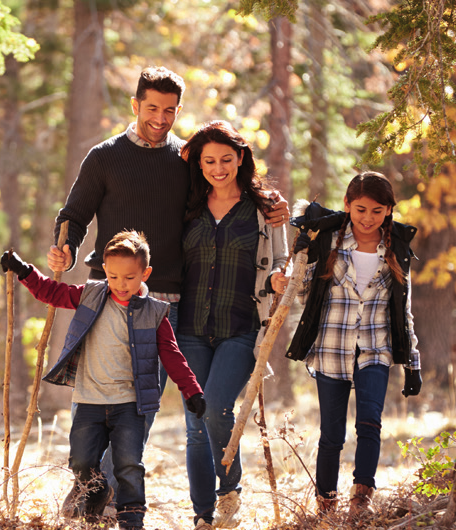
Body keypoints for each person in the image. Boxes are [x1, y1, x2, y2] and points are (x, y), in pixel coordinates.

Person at [46, 66, 289, 503]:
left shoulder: (185, 160)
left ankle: (102, 495)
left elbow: (227, 188)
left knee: (142, 404)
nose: (160, 118)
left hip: (166, 301)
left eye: (170, 110)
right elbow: (74, 215)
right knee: (102, 396)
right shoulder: (104, 157)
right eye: (152, 108)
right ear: (135, 104)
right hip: (106, 296)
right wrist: (63, 246)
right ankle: (89, 484)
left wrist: (271, 202)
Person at [1, 230, 206, 530]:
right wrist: (24, 271)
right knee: (81, 461)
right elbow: (53, 293)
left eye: (129, 278)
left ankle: (131, 522)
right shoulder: (91, 295)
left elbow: (172, 355)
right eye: (113, 277)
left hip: (130, 404)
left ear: (145, 273)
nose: (121, 285)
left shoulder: (155, 312)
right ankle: (96, 491)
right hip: (89, 400)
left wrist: (191, 390)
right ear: (105, 272)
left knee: (128, 465)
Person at [287, 171, 422, 518]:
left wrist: (412, 362)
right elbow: (303, 295)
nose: (368, 218)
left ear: (389, 210)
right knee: (331, 433)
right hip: (332, 347)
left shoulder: (396, 248)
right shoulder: (329, 240)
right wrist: (302, 258)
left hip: (375, 348)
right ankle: (326, 504)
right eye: (360, 209)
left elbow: (403, 309)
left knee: (370, 423)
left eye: (377, 211)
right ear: (347, 205)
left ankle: (361, 498)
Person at [177, 121, 289, 530]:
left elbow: (282, 259)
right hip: (189, 327)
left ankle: (229, 486)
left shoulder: (264, 208)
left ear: (240, 158)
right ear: (200, 164)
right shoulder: (187, 204)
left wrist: (280, 277)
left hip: (241, 326)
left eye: (226, 159)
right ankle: (202, 515)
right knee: (194, 422)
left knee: (217, 406)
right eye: (209, 161)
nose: (218, 167)